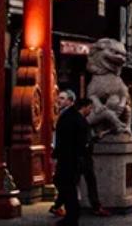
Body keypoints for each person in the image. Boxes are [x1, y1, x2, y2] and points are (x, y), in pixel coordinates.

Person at [53, 91, 89, 226]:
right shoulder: (72, 116)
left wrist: (57, 155)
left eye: (62, 98)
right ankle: (71, 215)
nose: (59, 100)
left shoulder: (70, 117)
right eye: (59, 98)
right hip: (71, 157)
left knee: (67, 186)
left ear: (70, 101)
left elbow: (65, 140)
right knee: (67, 186)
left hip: (68, 158)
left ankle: (71, 217)